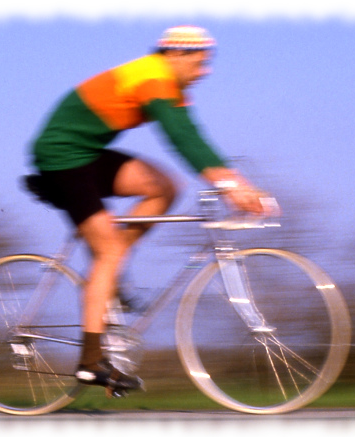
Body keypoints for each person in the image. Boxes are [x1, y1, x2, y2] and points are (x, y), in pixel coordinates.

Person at [28, 25, 274, 392]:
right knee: (108, 250)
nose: (205, 71)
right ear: (174, 54)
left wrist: (236, 182)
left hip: (87, 154)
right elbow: (181, 138)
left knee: (164, 187)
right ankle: (90, 362)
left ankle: (109, 272)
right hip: (61, 156)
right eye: (200, 61)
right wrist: (230, 186)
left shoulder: (169, 85)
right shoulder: (152, 77)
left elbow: (194, 135)